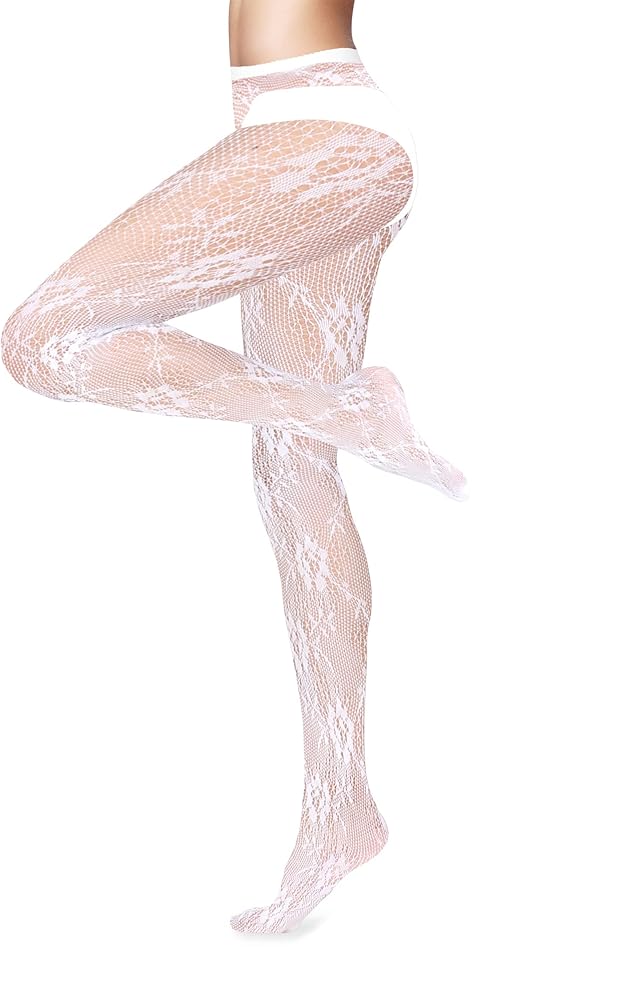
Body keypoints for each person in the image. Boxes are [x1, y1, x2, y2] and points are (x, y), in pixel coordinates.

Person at [1, 0, 469, 934]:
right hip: (307, 134)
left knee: (43, 339)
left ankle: (353, 414)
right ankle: (340, 807)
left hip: (324, 137)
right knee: (292, 473)